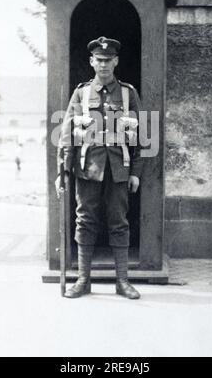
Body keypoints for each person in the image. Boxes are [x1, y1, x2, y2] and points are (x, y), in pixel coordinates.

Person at [55, 36, 144, 299]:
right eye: (99, 60)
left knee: (119, 223)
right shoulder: (81, 94)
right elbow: (67, 135)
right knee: (85, 221)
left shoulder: (128, 94)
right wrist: (62, 171)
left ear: (115, 61)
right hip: (87, 168)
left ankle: (122, 282)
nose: (103, 65)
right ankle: (83, 280)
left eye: (108, 60)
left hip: (119, 168)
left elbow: (142, 136)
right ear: (91, 61)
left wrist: (136, 173)